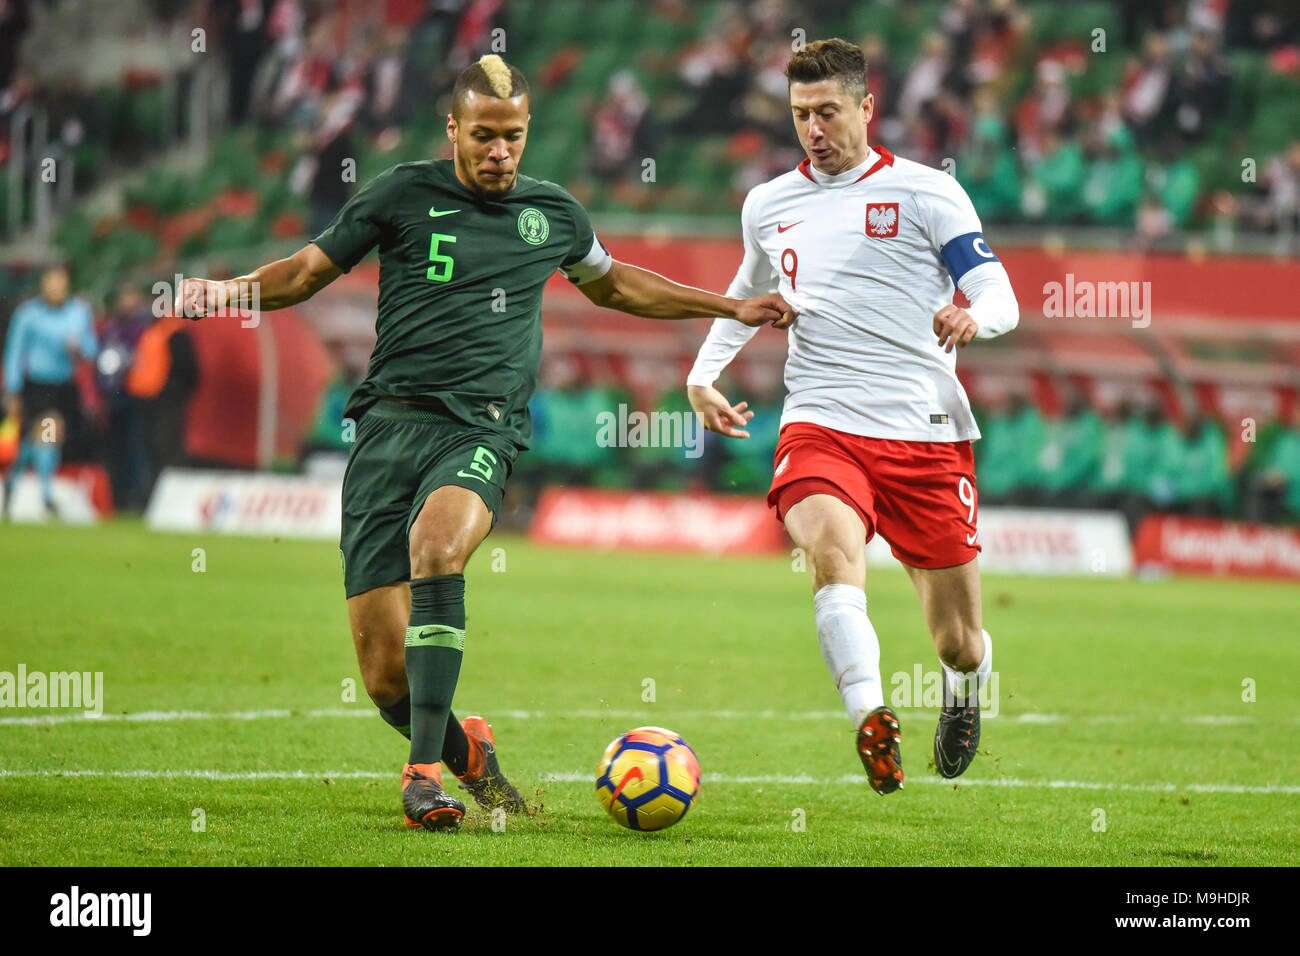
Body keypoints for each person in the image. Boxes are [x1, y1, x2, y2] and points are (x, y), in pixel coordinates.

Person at [177, 54, 794, 831]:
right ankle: (470, 753)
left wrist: (727, 307)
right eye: (484, 136)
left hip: (479, 427)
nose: (500, 152)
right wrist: (228, 293)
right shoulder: (401, 193)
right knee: (381, 677)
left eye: (514, 137)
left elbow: (617, 283)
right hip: (386, 429)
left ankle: (425, 775)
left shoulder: (554, 214)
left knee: (439, 549)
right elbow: (306, 272)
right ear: (453, 130)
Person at [687, 39, 1019, 795]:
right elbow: (748, 295)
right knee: (833, 557)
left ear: (866, 107)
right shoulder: (768, 204)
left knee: (958, 641)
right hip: (821, 419)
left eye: (827, 111)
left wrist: (974, 317)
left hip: (924, 434)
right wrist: (702, 376)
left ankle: (964, 691)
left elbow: (998, 291)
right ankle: (871, 717)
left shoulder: (929, 192)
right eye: (801, 113)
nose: (813, 127)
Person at [2, 264, 97, 518]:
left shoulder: (79, 312)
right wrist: (12, 389)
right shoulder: (28, 314)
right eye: (51, 282)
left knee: (38, 439)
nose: (56, 288)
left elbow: (91, 349)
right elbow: (14, 351)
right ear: (43, 285)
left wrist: (78, 348)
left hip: (64, 384)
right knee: (50, 432)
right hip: (36, 384)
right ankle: (45, 495)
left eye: (61, 283)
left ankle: (13, 477)